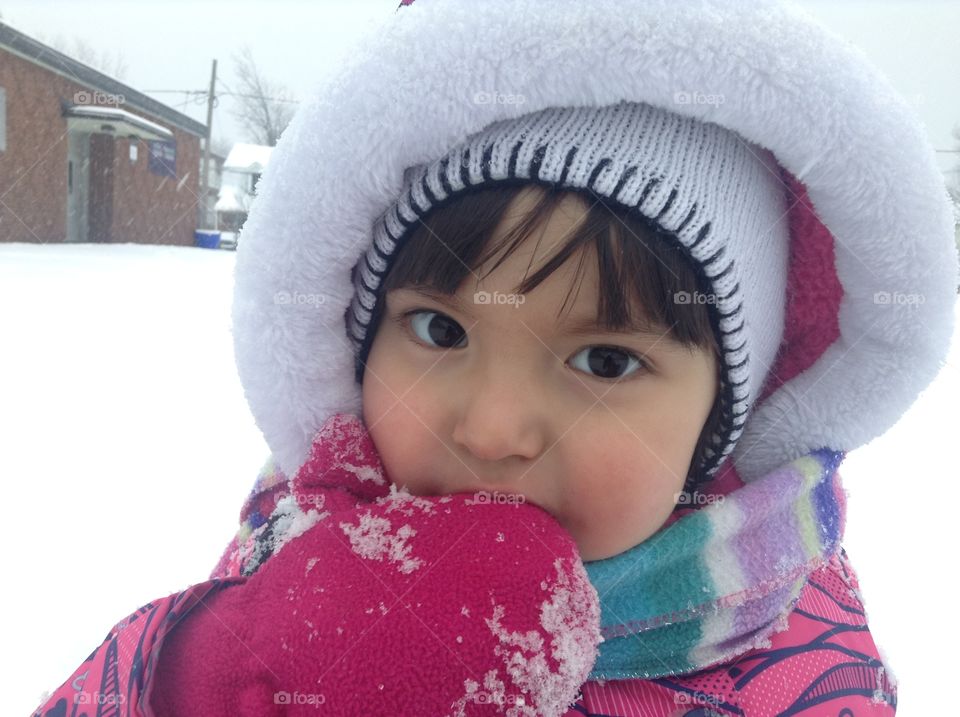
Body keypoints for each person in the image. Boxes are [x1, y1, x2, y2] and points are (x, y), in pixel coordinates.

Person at [35, 0, 957, 714]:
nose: (491, 427)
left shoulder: (796, 658)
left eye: (604, 361)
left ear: (722, 414)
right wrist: (229, 675)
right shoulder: (302, 543)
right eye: (440, 331)